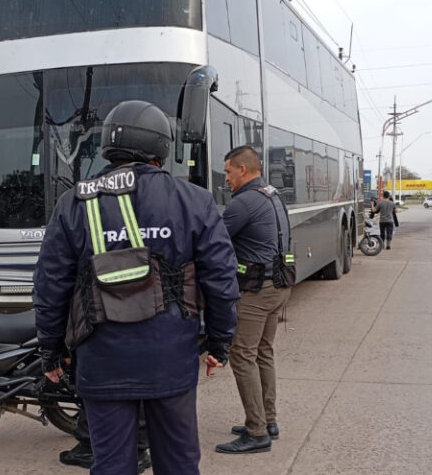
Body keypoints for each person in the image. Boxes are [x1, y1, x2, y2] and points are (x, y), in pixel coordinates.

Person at [33, 100, 239, 475]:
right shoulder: (194, 201)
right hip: (171, 361)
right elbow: (221, 280)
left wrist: (51, 350)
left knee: (112, 465)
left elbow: (50, 285)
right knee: (179, 464)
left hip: (101, 363)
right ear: (161, 146)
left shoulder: (73, 203)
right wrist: (219, 342)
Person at [215, 146, 294, 455]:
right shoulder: (274, 195)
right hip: (279, 286)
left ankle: (257, 432)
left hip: (257, 292)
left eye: (228, 172)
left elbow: (214, 240)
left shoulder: (242, 202)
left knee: (241, 355)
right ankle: (268, 421)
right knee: (263, 352)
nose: (226, 178)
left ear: (243, 170)